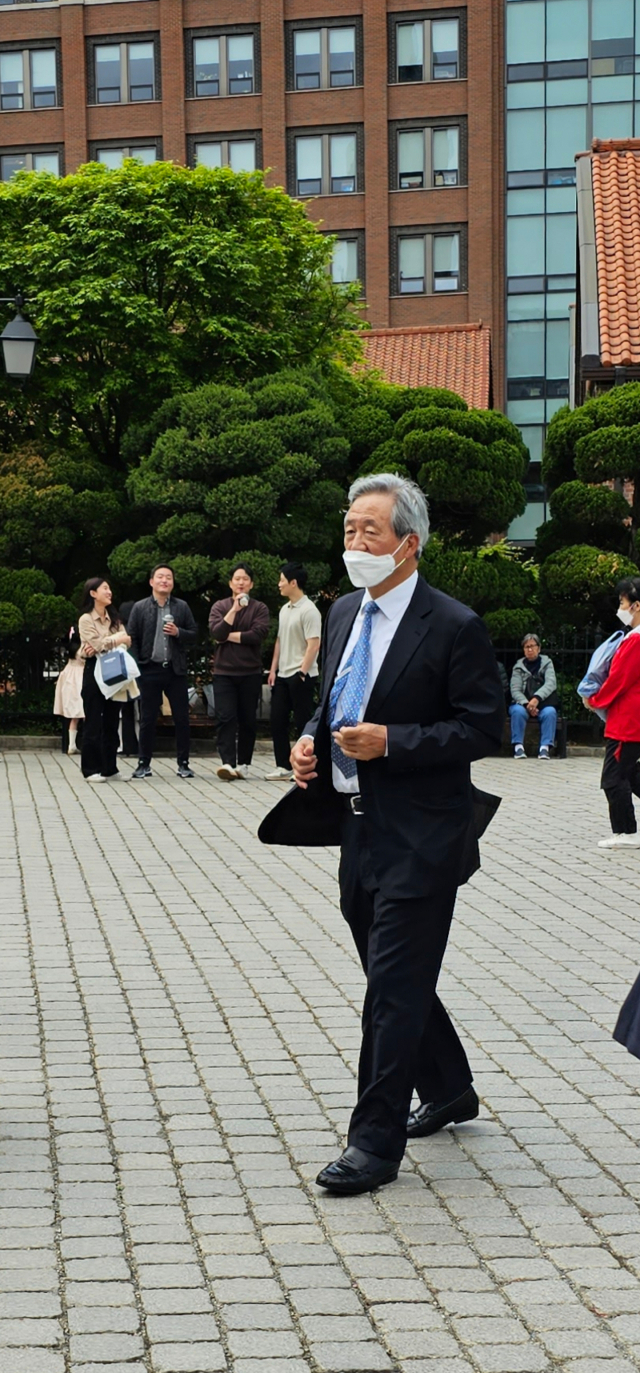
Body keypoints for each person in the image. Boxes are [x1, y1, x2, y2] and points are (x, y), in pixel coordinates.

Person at [260, 473, 504, 1195]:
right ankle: (451, 1086)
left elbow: (483, 726)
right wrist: (309, 741)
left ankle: (374, 1143)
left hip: (424, 836)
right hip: (357, 829)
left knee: (390, 992)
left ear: (408, 543)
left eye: (369, 531)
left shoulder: (453, 624)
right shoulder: (341, 613)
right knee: (393, 974)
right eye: (348, 529)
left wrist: (392, 742)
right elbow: (334, 699)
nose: (354, 542)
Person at [127, 565, 198, 780]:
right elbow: (132, 639)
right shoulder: (140, 607)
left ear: (173, 582)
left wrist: (178, 632)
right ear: (151, 582)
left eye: (168, 577)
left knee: (181, 718)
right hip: (149, 669)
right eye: (160, 577)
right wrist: (138, 667)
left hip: (175, 670)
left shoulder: (181, 607)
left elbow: (194, 633)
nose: (164, 581)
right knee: (148, 718)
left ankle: (183, 763)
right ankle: (143, 763)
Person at [585, 576, 640, 849]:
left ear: (637, 605)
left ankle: (627, 832)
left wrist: (594, 699)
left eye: (623, 602)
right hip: (631, 719)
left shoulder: (635, 641)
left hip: (627, 721)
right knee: (630, 774)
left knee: (613, 778)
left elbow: (619, 679)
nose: (620, 607)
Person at [208, 563, 270, 782]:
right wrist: (234, 610)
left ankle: (243, 764)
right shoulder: (220, 606)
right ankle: (227, 762)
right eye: (237, 579)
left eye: (245, 579)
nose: (241, 582)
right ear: (230, 583)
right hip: (224, 672)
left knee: (247, 720)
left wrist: (227, 637)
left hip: (250, 672)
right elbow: (216, 631)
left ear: (251, 584)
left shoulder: (259, 608)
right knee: (225, 718)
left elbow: (257, 634)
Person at [78, 578, 138, 783]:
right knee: (93, 721)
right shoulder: (86, 619)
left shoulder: (114, 617)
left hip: (115, 669)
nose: (109, 592)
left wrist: (112, 641)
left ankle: (109, 768)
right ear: (93, 593)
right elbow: (95, 645)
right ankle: (90, 769)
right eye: (105, 588)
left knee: (112, 721)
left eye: (109, 588)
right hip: (94, 670)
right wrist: (116, 639)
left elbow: (127, 640)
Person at [266, 562, 322, 781]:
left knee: (302, 722)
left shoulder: (309, 610)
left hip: (302, 675)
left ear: (293, 582)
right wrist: (273, 669)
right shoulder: (284, 609)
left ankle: (305, 767)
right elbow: (280, 641)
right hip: (282, 674)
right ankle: (283, 765)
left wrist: (302, 672)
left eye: (281, 580)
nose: (279, 584)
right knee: (277, 720)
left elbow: (314, 644)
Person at [509, 633, 558, 760]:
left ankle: (544, 748)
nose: (530, 649)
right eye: (526, 647)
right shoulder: (518, 667)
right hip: (523, 704)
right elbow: (515, 689)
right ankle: (518, 747)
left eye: (532, 646)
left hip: (543, 703)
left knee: (550, 713)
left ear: (539, 648)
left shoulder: (547, 663)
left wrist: (536, 699)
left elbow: (551, 683)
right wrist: (527, 704)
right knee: (517, 712)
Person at [53, 625, 85, 755]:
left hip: (68, 677)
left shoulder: (71, 649)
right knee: (85, 711)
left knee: (73, 715)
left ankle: (71, 744)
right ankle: (87, 744)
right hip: (80, 678)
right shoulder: (83, 649)